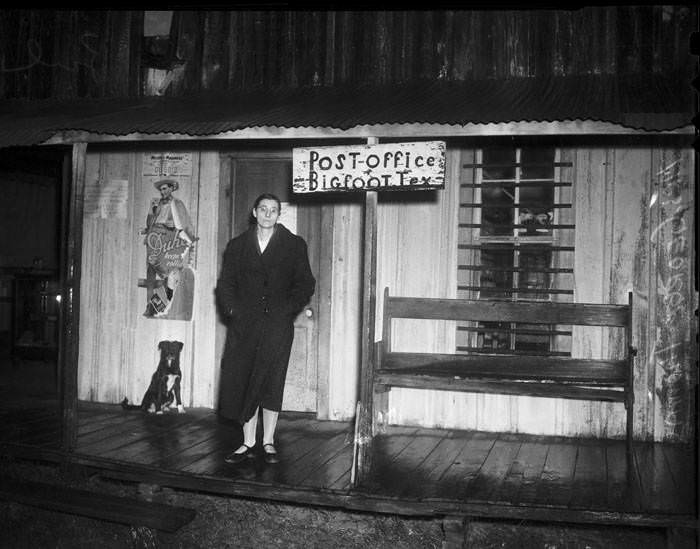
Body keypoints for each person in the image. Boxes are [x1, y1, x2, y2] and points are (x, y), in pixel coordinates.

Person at [216, 193, 315, 464]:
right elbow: (225, 285)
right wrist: (234, 311)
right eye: (263, 209)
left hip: (277, 325)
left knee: (272, 380)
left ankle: (268, 441)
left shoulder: (294, 245)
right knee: (244, 379)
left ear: (278, 214)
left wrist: (287, 310)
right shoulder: (237, 246)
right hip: (245, 326)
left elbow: (305, 283)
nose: (268, 214)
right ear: (254, 212)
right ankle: (247, 442)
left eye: (273, 210)